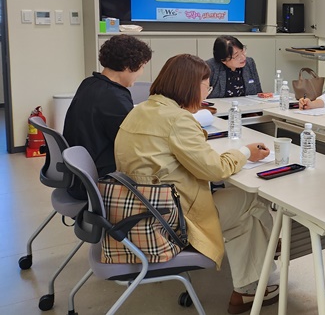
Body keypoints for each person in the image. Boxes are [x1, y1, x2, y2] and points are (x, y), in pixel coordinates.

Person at [114, 54, 279, 314]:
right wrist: (246, 152)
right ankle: (260, 270)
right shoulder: (177, 120)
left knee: (242, 211)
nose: (207, 93)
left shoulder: (140, 110)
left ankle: (257, 274)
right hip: (169, 222)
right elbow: (215, 170)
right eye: (206, 87)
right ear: (191, 86)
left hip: (136, 212)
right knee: (249, 200)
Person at [63, 34, 152, 199]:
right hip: (99, 180)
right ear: (129, 66)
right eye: (142, 67)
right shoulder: (114, 97)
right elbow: (133, 144)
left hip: (78, 172)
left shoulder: (89, 83)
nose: (141, 73)